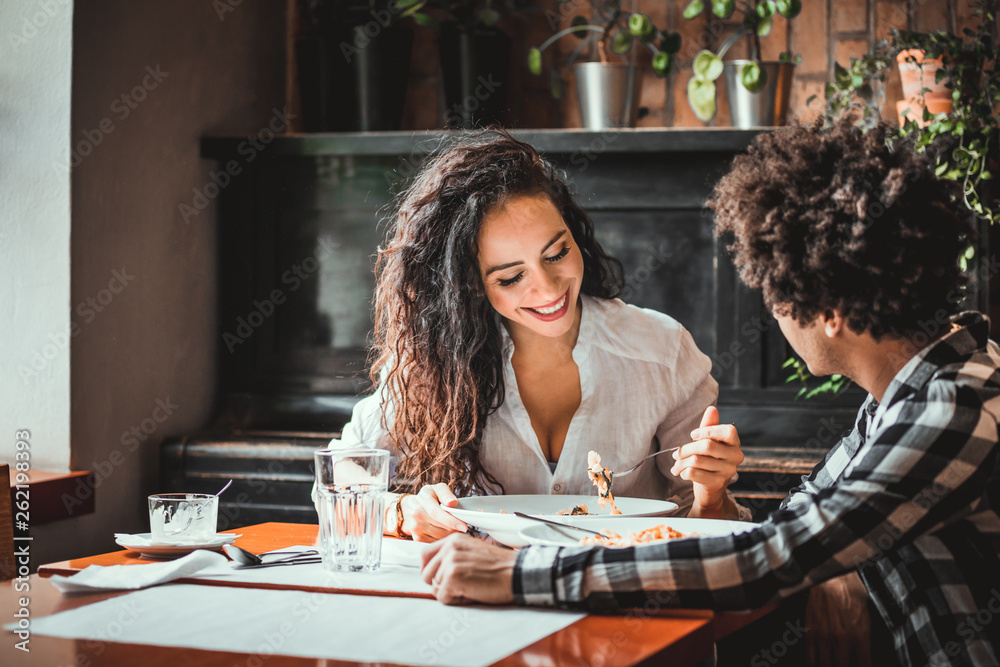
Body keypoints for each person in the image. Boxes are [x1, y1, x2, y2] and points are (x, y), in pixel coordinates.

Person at [419, 119, 1000, 667]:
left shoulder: (955, 409)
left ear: (827, 313)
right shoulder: (910, 392)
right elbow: (795, 528)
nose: (774, 316)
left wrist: (520, 572)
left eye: (774, 296)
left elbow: (767, 557)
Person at [328, 130, 749, 542]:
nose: (548, 290)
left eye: (557, 253)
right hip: (483, 597)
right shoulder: (436, 363)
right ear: (472, 282)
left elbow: (707, 525)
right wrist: (401, 513)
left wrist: (711, 494)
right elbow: (339, 477)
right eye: (511, 277)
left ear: (573, 231)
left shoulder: (662, 349)